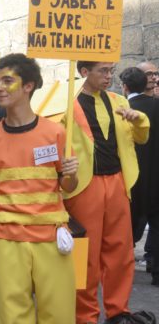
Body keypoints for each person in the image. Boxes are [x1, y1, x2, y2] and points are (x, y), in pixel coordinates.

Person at [0, 53, 79, 323]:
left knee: (59, 312)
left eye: (7, 80)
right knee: (12, 314)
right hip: (6, 236)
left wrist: (72, 174)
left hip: (50, 234)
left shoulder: (55, 132)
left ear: (28, 86)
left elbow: (67, 187)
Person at [64, 61, 149, 324]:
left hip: (117, 182)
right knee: (85, 255)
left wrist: (139, 119)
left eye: (111, 71)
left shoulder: (117, 100)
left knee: (121, 251)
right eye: (103, 71)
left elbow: (141, 137)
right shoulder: (66, 102)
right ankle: (84, 316)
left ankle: (119, 311)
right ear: (84, 72)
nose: (109, 76)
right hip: (84, 186)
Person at [119, 67, 159, 287]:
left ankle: (121, 270)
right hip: (156, 173)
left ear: (124, 87)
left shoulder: (122, 109)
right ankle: (156, 270)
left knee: (127, 225)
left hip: (131, 175)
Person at [136, 61, 159, 273]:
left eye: (155, 74)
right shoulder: (124, 107)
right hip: (136, 174)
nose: (154, 77)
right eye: (149, 74)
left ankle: (152, 258)